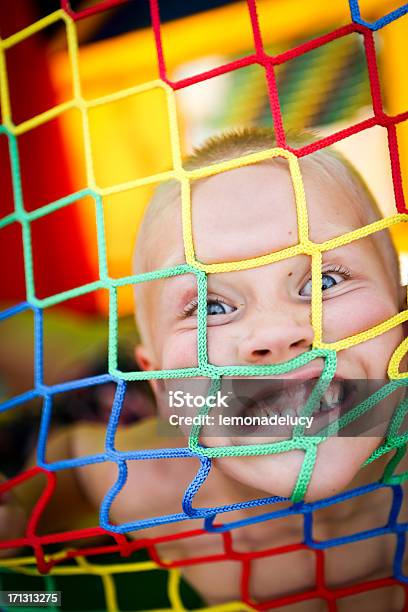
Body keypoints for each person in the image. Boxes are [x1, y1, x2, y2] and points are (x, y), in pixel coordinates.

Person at [1, 128, 407, 610]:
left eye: (324, 280)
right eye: (210, 306)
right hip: (122, 405)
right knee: (40, 348)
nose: (277, 334)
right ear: (161, 385)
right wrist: (20, 511)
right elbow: (65, 462)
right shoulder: (146, 481)